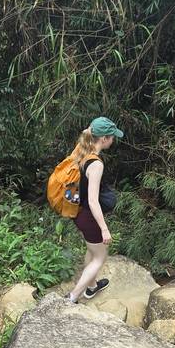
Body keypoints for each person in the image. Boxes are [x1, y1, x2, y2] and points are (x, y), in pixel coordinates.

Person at [67, 116, 123, 303]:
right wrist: (104, 228)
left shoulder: (82, 151)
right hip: (88, 215)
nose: (113, 140)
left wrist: (92, 128)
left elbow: (88, 131)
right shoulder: (96, 164)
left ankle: (91, 287)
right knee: (100, 257)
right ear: (104, 139)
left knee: (91, 251)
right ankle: (73, 297)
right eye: (112, 137)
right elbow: (93, 200)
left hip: (78, 213)